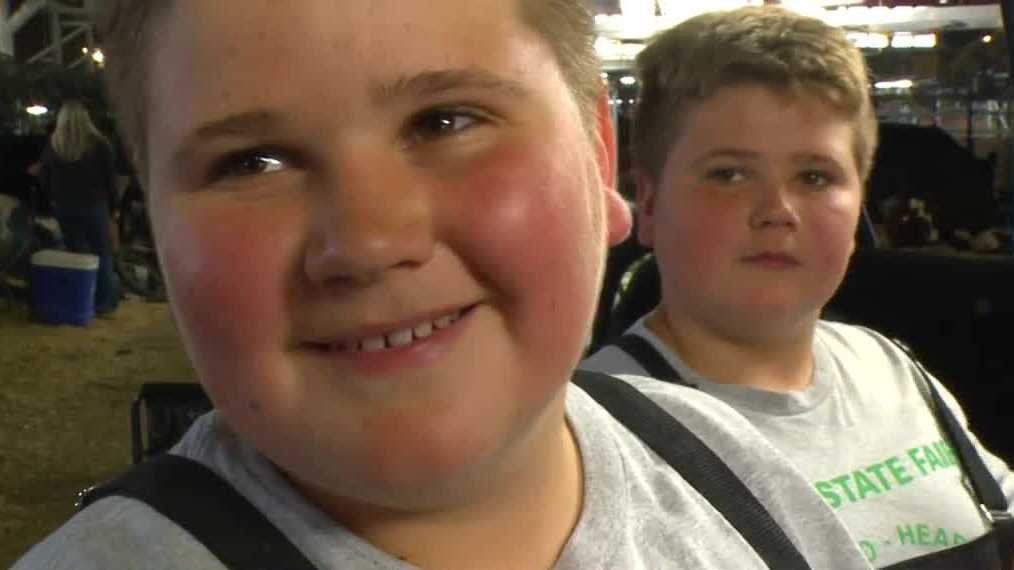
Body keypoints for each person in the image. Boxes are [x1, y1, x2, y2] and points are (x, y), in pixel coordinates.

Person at [13, 1, 875, 569]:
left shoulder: (739, 477)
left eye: (446, 121)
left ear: (599, 158)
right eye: (253, 161)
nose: (368, 242)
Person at [581, 6, 1014, 568]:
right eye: (729, 174)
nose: (777, 211)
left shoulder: (887, 366)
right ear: (651, 203)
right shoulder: (586, 441)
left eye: (815, 177)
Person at [36, 101, 121, 315]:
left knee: (77, 254)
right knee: (102, 253)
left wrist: (52, 200)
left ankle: (82, 299)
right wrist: (115, 209)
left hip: (65, 208)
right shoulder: (100, 144)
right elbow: (110, 180)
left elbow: (43, 178)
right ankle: (105, 304)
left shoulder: (54, 145)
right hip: (95, 206)